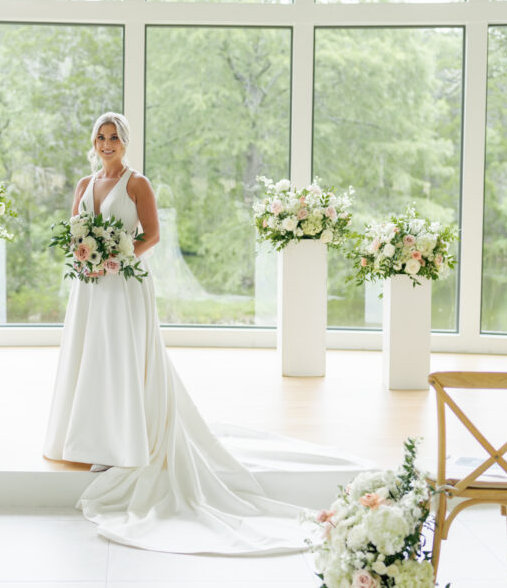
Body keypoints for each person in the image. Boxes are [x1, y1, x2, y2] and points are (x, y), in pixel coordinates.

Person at [43, 112, 312, 554]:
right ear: (94, 142)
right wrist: (87, 255)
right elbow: (76, 231)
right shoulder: (82, 185)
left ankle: (123, 440)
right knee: (90, 355)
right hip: (90, 285)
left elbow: (152, 234)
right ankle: (89, 437)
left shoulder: (137, 183)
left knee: (122, 357)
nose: (107, 144)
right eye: (101, 137)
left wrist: (120, 254)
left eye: (114, 137)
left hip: (125, 281)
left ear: (125, 143)